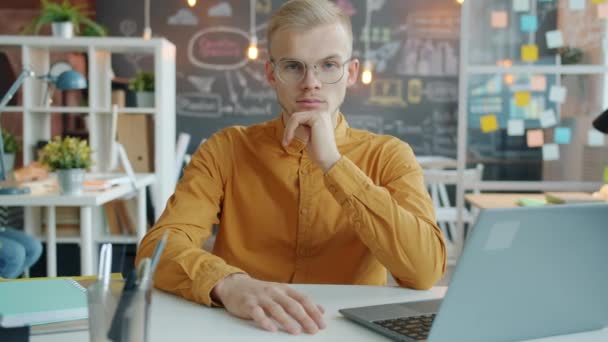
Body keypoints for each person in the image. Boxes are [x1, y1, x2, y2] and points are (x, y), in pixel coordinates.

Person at [136, 0, 446, 335]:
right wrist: (228, 283)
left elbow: (424, 271)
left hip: (345, 332)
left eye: (328, 65)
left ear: (351, 73)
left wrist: (334, 164)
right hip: (244, 327)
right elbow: (158, 250)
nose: (311, 82)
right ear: (272, 73)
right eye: (294, 66)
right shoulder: (226, 149)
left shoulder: (389, 155)